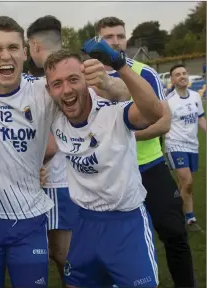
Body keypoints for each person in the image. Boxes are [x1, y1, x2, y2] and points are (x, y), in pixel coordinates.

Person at [0, 16, 130, 288]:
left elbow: (122, 94)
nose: (6, 55)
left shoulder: (44, 91)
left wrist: (108, 83)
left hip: (29, 221)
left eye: (13, 47)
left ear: (25, 52)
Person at [45, 38, 163, 287]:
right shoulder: (55, 114)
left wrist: (118, 64)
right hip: (85, 224)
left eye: (73, 79)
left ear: (86, 80)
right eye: (57, 84)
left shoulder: (113, 111)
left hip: (126, 224)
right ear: (49, 90)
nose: (66, 90)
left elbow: (153, 112)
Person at [96, 16, 197, 287]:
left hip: (149, 167)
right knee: (115, 244)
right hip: (110, 175)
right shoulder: (88, 76)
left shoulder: (144, 72)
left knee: (175, 233)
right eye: (108, 37)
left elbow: (164, 122)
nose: (115, 41)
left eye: (120, 36)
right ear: (98, 41)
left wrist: (125, 134)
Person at [27, 15, 79, 287]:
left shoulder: (50, 80)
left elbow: (50, 145)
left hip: (57, 181)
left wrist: (26, 165)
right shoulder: (76, 73)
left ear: (34, 45)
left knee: (63, 255)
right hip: (76, 176)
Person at [166, 64, 206, 231]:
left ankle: (184, 213)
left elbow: (200, 119)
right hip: (175, 144)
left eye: (184, 73)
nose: (182, 76)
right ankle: (184, 216)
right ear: (173, 80)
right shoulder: (168, 101)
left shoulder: (196, 96)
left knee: (186, 185)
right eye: (178, 74)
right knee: (187, 181)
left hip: (192, 145)